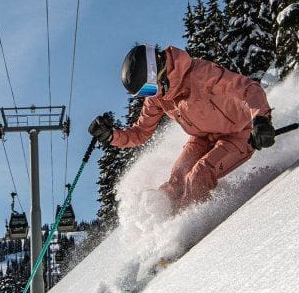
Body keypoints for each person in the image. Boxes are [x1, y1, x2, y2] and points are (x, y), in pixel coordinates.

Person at [89, 43, 276, 212]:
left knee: (199, 175)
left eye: (149, 89)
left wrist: (260, 120)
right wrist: (111, 136)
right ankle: (159, 224)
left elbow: (248, 88)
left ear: (158, 70)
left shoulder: (201, 74)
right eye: (144, 93)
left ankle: (188, 226)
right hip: (202, 138)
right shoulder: (158, 97)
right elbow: (141, 132)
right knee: (176, 180)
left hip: (240, 134)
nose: (150, 96)